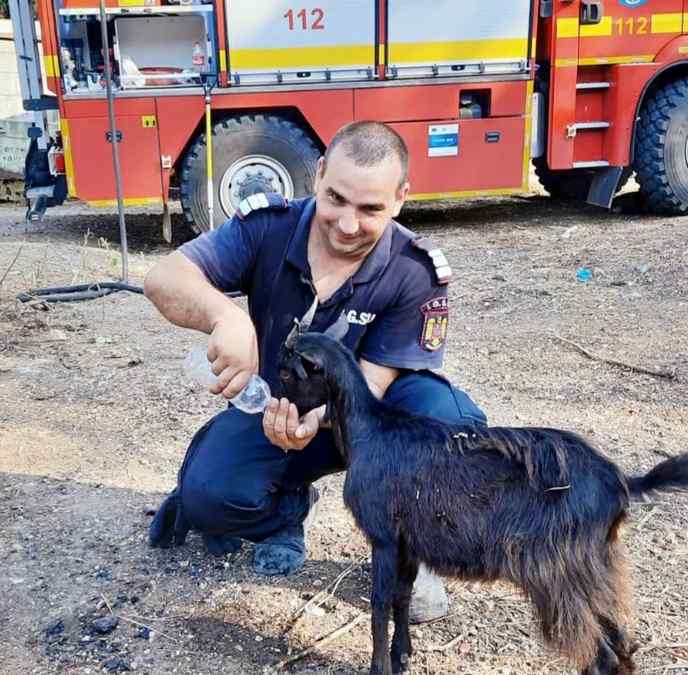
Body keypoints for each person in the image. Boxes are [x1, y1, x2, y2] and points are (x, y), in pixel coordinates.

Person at [145, 121, 486, 622]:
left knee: (452, 425)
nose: (347, 225)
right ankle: (285, 511)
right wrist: (225, 316)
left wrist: (324, 417)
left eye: (370, 209)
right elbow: (163, 278)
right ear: (319, 173)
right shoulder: (268, 227)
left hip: (368, 417)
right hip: (275, 410)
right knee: (208, 498)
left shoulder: (415, 269)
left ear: (400, 199)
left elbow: (375, 380)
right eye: (336, 199)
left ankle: (414, 545)